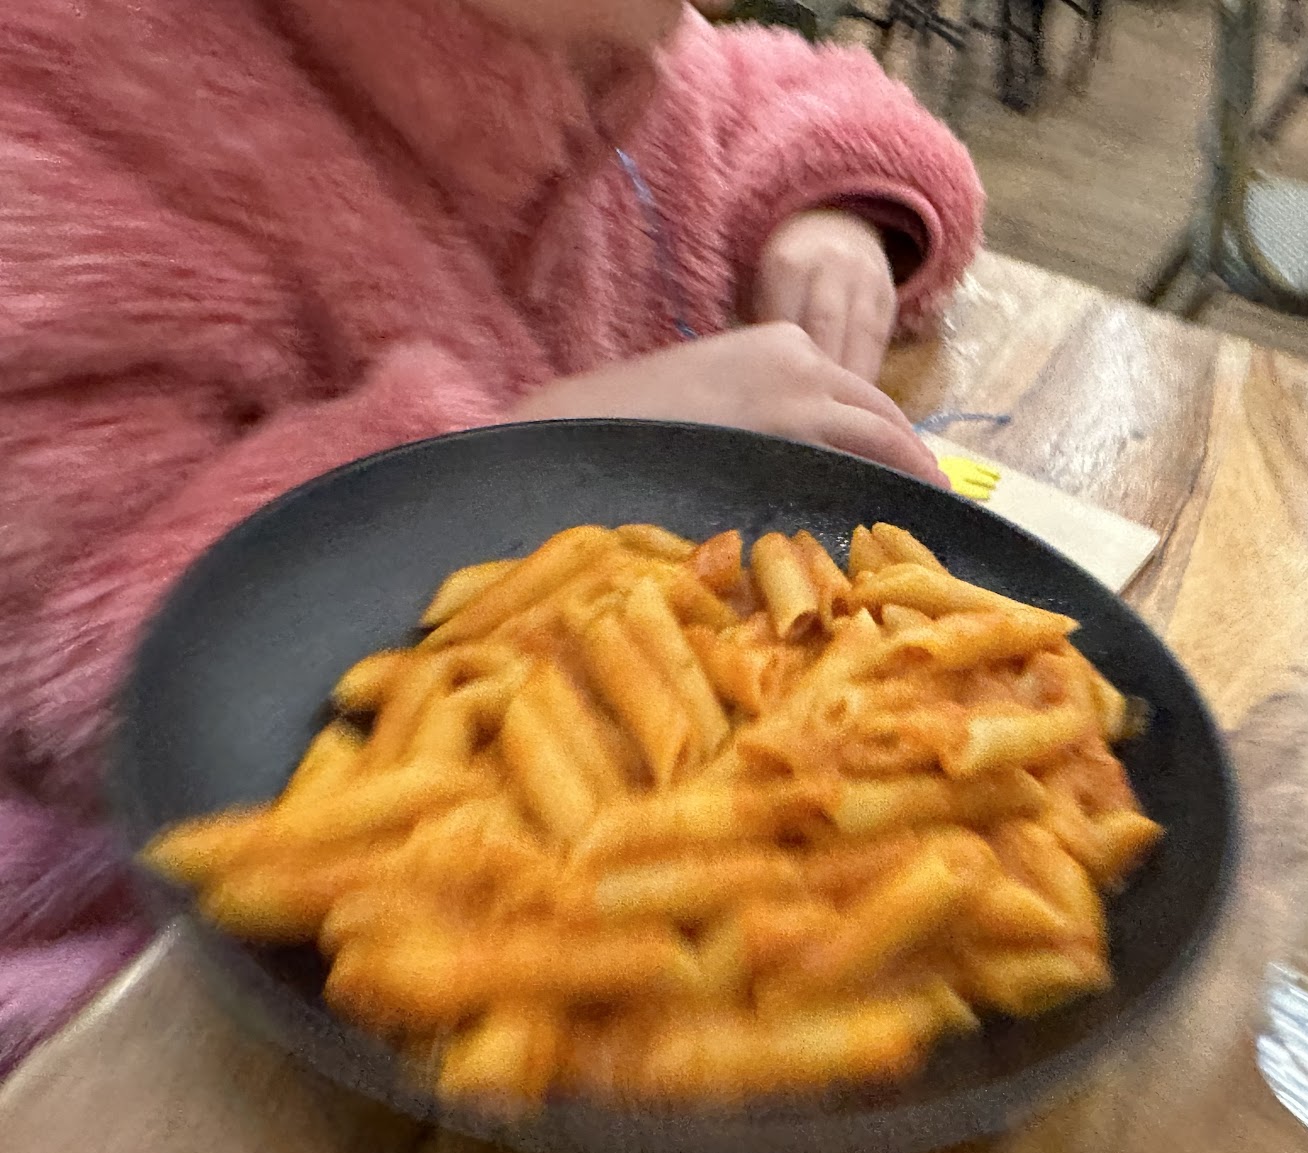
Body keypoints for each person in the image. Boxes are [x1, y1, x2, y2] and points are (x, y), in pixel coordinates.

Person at [0, 0, 984, 1069]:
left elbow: (763, 88)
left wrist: (835, 215)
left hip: (674, 862)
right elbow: (82, 653)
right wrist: (547, 455)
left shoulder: (598, 30)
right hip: (178, 983)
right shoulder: (61, 107)